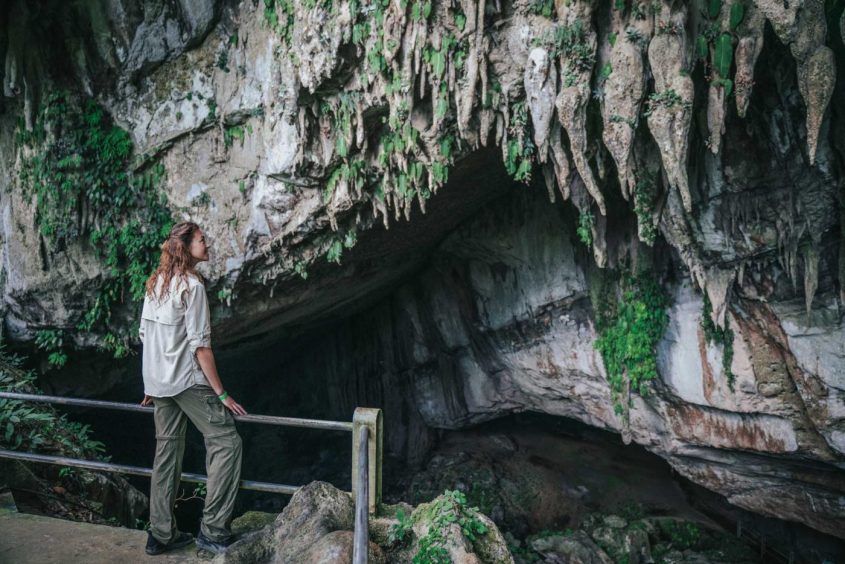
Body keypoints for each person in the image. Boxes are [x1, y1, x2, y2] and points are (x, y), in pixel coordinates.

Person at [138, 221, 247, 556]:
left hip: (159, 383)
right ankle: (213, 531)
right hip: (186, 381)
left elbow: (145, 335)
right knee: (227, 442)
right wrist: (222, 394)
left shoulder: (156, 281)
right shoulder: (193, 286)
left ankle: (160, 534)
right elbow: (200, 346)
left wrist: (151, 381)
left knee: (167, 453)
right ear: (186, 247)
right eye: (201, 239)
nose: (207, 243)